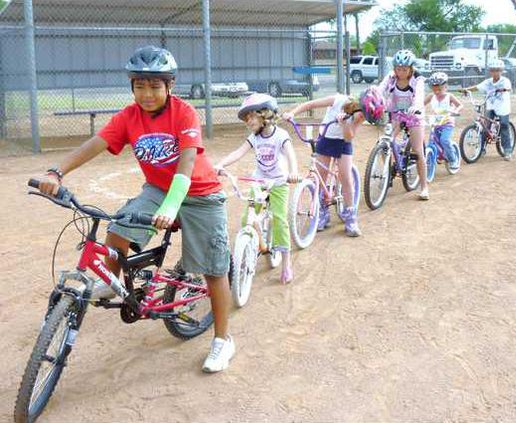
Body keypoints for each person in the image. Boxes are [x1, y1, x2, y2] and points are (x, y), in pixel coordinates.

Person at [33, 46, 235, 373]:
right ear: (132, 87)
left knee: (213, 269)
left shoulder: (183, 113)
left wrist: (172, 205)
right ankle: (115, 280)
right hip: (157, 190)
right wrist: (56, 172)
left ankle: (223, 341)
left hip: (199, 193)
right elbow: (95, 144)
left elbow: (186, 163)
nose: (147, 93)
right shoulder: (129, 117)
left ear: (170, 86)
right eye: (139, 85)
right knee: (117, 228)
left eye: (155, 86)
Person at [216, 94, 299, 283]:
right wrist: (220, 164)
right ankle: (261, 245)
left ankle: (286, 263)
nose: (248, 121)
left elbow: (291, 155)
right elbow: (239, 152)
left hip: (278, 182)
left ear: (266, 115)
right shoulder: (254, 137)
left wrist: (293, 171)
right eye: (246, 118)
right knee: (249, 218)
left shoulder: (280, 136)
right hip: (260, 182)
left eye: (252, 116)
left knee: (279, 219)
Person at [283, 92, 366, 236]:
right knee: (321, 177)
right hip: (326, 138)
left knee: (345, 177)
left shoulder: (360, 116)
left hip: (343, 142)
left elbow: (348, 137)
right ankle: (322, 210)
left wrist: (345, 123)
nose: (362, 116)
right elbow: (311, 104)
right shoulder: (338, 99)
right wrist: (292, 113)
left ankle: (351, 216)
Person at [376, 49, 430, 200]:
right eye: (398, 68)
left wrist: (416, 106)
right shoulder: (391, 77)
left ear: (411, 68)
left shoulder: (418, 79)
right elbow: (381, 89)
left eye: (404, 69)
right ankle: (388, 172)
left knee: (418, 150)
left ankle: (424, 187)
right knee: (384, 142)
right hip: (397, 114)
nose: (401, 72)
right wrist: (375, 98)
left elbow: (419, 95)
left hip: (414, 115)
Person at [461, 59, 514, 160]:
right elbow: (477, 87)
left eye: (497, 70)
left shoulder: (505, 81)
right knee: (485, 126)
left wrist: (504, 89)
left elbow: (508, 88)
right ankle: (482, 148)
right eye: (493, 70)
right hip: (491, 105)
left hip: (502, 106)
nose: (495, 72)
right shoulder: (488, 82)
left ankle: (507, 150)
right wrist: (466, 90)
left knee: (503, 125)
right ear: (490, 71)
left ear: (501, 71)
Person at [423, 72, 463, 171]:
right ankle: (434, 156)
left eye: (439, 89)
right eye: (434, 88)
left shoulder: (449, 96)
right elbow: (421, 104)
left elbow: (460, 105)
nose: (436, 91)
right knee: (431, 142)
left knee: (444, 140)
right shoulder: (431, 96)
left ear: (446, 87)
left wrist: (455, 111)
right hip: (435, 123)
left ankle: (453, 159)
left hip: (447, 123)